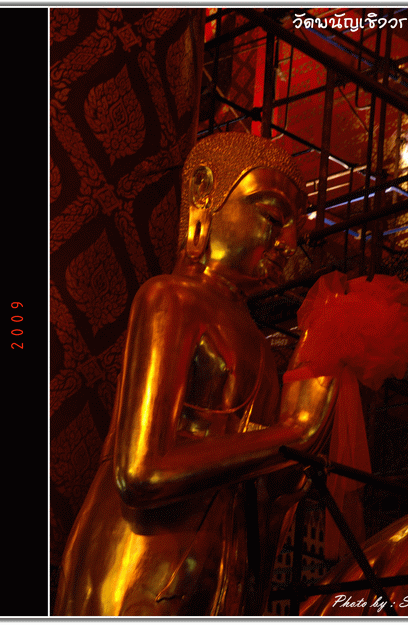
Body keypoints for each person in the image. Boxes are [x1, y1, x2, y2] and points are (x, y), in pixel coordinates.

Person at [54, 132, 338, 616]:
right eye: (272, 217)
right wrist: (294, 433)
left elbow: (263, 489)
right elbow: (140, 472)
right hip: (141, 562)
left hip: (221, 568)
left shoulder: (260, 345)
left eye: (298, 232)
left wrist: (312, 415)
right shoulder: (172, 298)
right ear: (205, 194)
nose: (288, 244)